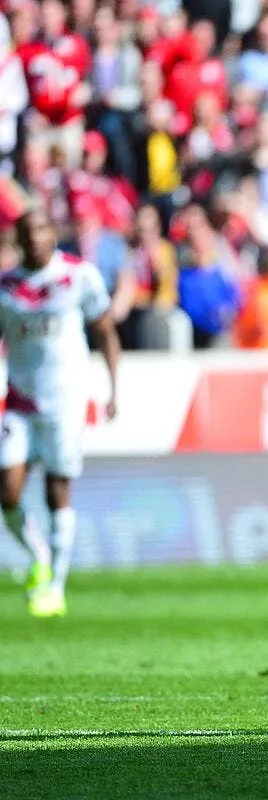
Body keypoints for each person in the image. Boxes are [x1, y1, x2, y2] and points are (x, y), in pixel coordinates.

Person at [0, 209, 120, 617]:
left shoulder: (78, 276)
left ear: (53, 234)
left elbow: (105, 330)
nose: (35, 238)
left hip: (65, 401)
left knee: (57, 489)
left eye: (41, 229)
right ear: (18, 241)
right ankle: (39, 556)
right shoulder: (7, 287)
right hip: (19, 401)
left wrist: (113, 388)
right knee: (8, 492)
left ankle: (55, 587)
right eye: (27, 232)